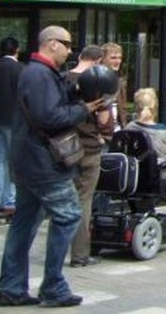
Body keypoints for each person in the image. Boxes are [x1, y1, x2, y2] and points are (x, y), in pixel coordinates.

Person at [0, 25, 104, 308]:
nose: (70, 50)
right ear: (52, 44)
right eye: (67, 44)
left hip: (28, 161)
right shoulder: (38, 74)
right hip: (42, 163)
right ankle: (53, 286)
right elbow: (51, 116)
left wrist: (74, 89)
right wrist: (84, 110)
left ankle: (11, 288)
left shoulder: (38, 73)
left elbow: (49, 104)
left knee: (24, 223)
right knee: (68, 215)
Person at [65, 45, 114, 268]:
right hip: (88, 147)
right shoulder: (98, 82)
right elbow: (104, 120)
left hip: (64, 148)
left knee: (62, 198)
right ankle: (79, 254)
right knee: (84, 200)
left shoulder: (64, 79)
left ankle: (57, 247)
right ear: (98, 60)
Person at [0, 36, 23, 214]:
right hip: (14, 120)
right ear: (16, 50)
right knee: (12, 160)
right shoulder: (19, 69)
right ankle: (10, 200)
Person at [100, 42, 128, 132]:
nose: (117, 61)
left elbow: (122, 109)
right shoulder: (95, 80)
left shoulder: (120, 81)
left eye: (120, 58)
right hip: (102, 133)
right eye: (113, 58)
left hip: (117, 131)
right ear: (102, 59)